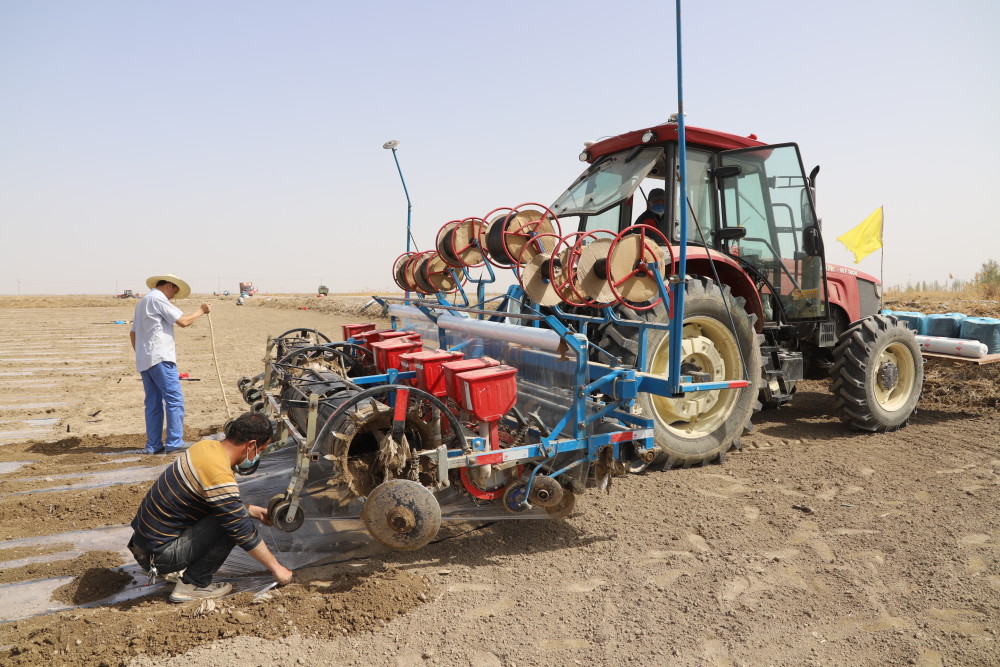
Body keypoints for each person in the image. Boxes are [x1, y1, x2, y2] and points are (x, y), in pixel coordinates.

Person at [127, 412, 294, 602]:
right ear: (251, 446)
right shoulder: (218, 473)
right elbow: (241, 529)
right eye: (260, 451)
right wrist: (277, 569)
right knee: (233, 524)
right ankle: (192, 584)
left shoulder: (205, 448)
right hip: (157, 556)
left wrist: (254, 510)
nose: (257, 457)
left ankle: (173, 565)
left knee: (233, 514)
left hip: (144, 546)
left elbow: (212, 500)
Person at [130, 273, 211, 454]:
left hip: (145, 359)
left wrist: (143, 353)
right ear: (168, 285)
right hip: (160, 357)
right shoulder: (158, 298)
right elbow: (183, 321)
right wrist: (201, 310)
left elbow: (133, 333)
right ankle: (174, 442)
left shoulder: (142, 302)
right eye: (174, 291)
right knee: (174, 399)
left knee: (153, 403)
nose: (173, 295)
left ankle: (153, 445)